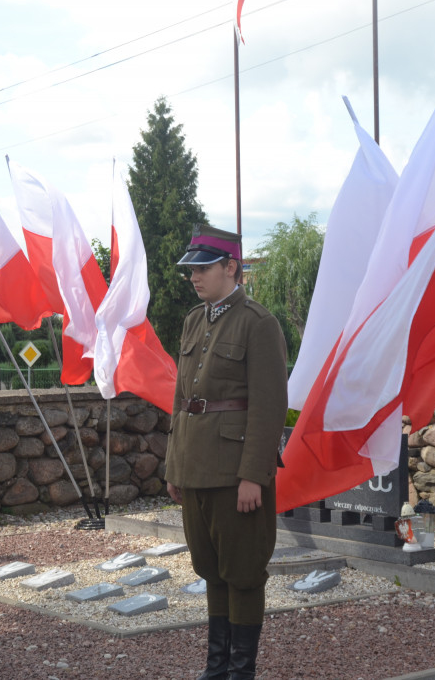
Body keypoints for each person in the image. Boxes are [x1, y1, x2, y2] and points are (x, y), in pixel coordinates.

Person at [165, 224, 288, 680]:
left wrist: (253, 474)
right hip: (194, 465)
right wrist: (173, 465)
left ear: (230, 267)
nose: (193, 277)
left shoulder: (259, 323)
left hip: (236, 470)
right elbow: (181, 400)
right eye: (190, 269)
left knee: (243, 573)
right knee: (211, 570)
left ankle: (241, 672)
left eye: (202, 268)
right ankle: (216, 669)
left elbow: (270, 405)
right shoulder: (194, 320)